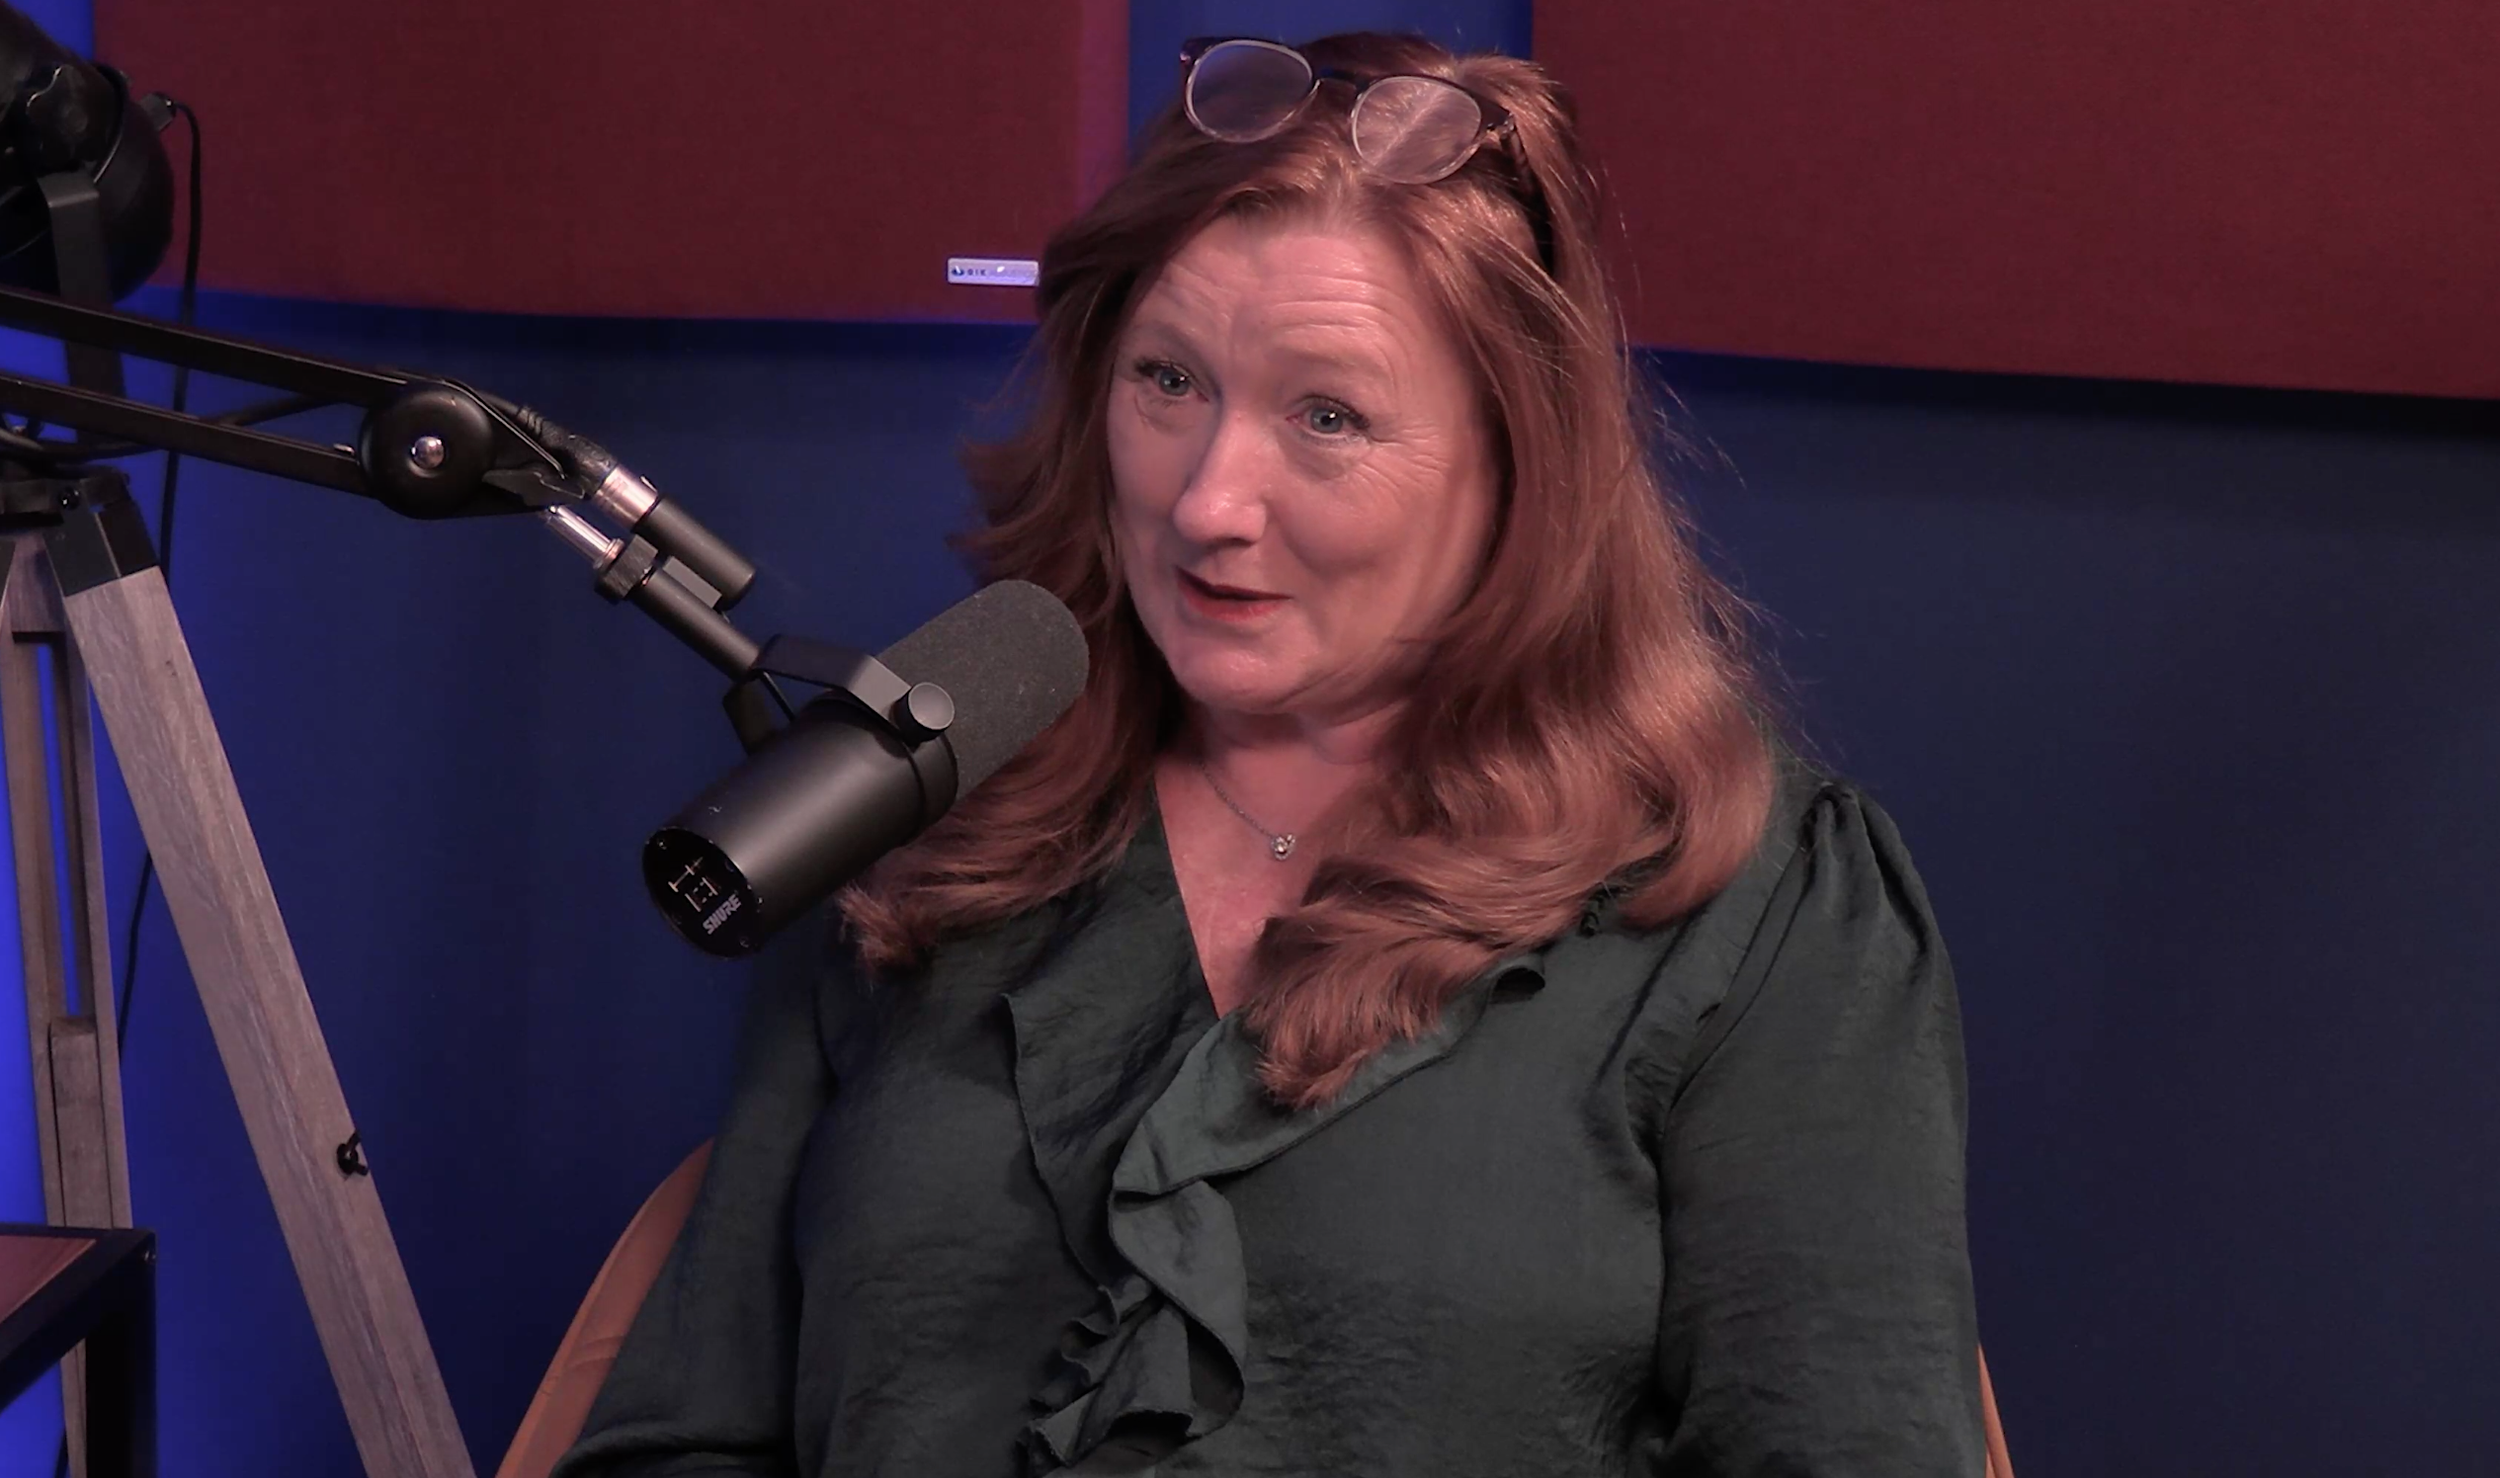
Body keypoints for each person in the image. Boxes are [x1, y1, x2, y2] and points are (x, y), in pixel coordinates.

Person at [557, 31, 1985, 1478]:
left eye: (1328, 415)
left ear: (1520, 467)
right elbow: (680, 1438)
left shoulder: (1755, 898)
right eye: (1168, 381)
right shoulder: (924, 816)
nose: (1210, 502)